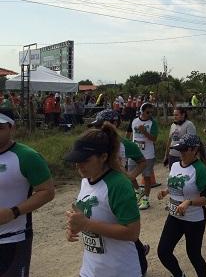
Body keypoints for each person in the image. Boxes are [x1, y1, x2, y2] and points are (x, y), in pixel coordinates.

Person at [64, 123, 146, 277]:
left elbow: (132, 232)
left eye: (85, 160)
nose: (78, 165)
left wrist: (87, 224)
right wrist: (74, 227)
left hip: (119, 271)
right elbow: (91, 216)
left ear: (103, 157)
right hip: (91, 269)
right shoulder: (86, 180)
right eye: (76, 159)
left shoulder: (119, 184)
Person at [0, 112, 55, 276]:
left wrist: (13, 212)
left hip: (13, 239)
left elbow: (47, 191)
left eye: (0, 127)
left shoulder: (27, 156)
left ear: (12, 128)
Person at [157, 134, 206, 277]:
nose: (180, 153)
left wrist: (189, 202)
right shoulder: (175, 165)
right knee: (163, 251)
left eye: (184, 150)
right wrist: (166, 191)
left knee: (193, 255)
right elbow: (178, 184)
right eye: (179, 149)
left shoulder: (200, 170)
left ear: (194, 150)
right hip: (175, 216)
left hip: (194, 219)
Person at [127, 103, 159, 210]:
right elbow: (129, 134)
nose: (149, 114)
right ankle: (138, 191)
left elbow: (154, 139)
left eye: (151, 112)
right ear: (142, 111)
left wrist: (144, 132)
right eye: (147, 112)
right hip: (134, 153)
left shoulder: (152, 123)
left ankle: (146, 199)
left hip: (148, 154)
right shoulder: (134, 121)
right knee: (129, 176)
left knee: (147, 177)